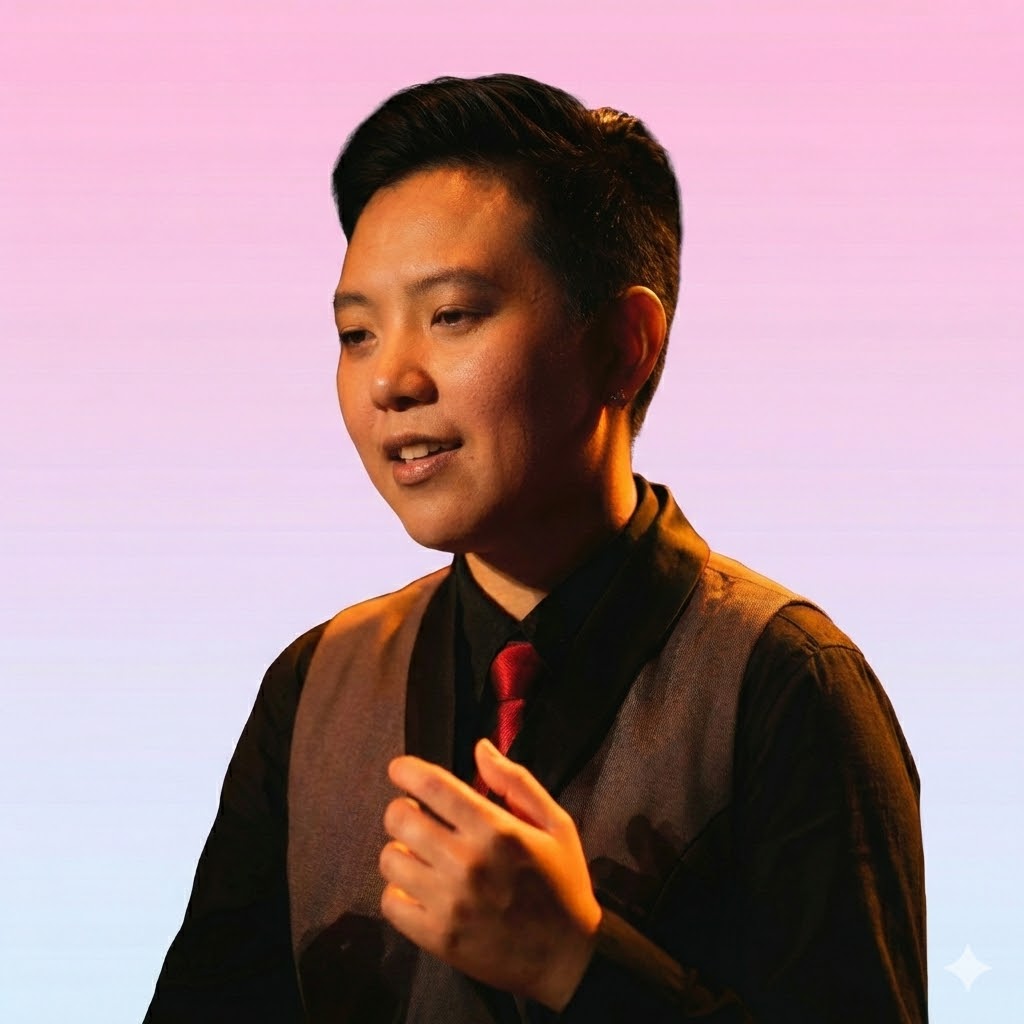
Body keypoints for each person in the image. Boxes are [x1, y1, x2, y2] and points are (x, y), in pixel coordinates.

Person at [143, 74, 927, 1023]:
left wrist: (579, 964)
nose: (390, 380)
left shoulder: (784, 684)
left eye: (452, 315)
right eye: (357, 332)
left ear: (624, 345)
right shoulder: (314, 687)